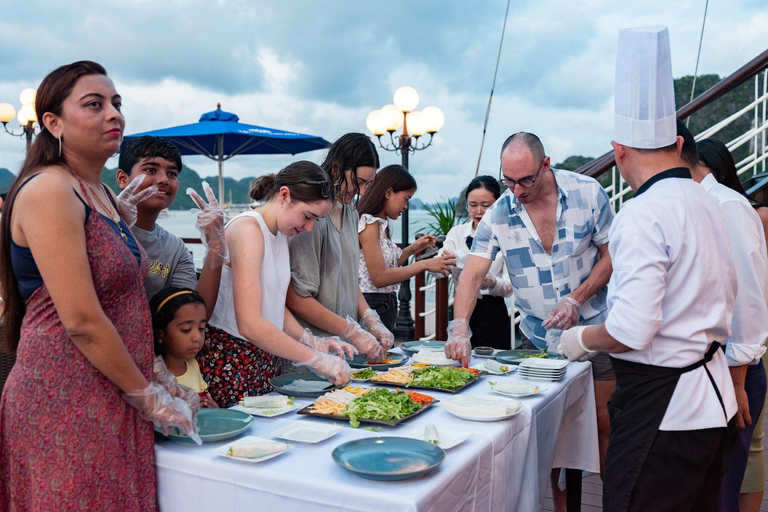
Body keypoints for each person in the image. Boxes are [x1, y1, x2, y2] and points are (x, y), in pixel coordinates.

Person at [0, 61, 198, 511]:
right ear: (53, 123)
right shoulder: (50, 190)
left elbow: (124, 303)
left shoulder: (104, 194)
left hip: (113, 386)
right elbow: (83, 320)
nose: (114, 114)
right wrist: (150, 397)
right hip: (64, 394)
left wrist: (159, 377)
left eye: (117, 103)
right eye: (95, 104)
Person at [560, 26, 738, 512]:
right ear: (679, 144)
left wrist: (581, 338)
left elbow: (632, 329)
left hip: (666, 411)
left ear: (618, 153)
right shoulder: (708, 202)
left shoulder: (641, 212)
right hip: (711, 400)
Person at [445, 132, 615, 510]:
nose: (517, 190)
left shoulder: (588, 192)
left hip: (594, 328)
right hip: (537, 337)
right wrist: (460, 328)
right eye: (508, 181)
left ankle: (613, 503)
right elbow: (472, 275)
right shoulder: (499, 213)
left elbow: (612, 255)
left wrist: (577, 298)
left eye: (526, 180)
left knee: (604, 424)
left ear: (545, 165)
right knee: (545, 431)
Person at [197, 161, 356, 408]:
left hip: (260, 355)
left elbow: (272, 303)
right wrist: (316, 358)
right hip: (230, 357)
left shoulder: (280, 233)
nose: (309, 227)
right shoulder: (249, 229)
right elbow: (250, 324)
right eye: (307, 216)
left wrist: (310, 339)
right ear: (284, 195)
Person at [697, 137, 768, 512]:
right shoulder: (697, 206)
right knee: (708, 479)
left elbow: (747, 298)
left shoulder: (728, 207)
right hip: (710, 364)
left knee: (724, 481)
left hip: (732, 364)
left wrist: (737, 380)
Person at [285, 133, 393, 371]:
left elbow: (347, 279)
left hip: (345, 350)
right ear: (335, 169)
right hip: (312, 348)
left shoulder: (351, 212)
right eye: (359, 182)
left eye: (368, 184)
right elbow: (296, 298)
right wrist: (351, 330)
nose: (362, 192)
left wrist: (370, 320)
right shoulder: (311, 218)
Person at [116, 136, 226, 319]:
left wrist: (216, 248)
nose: (163, 180)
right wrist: (115, 227)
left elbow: (194, 315)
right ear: (122, 178)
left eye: (172, 173)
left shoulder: (175, 249)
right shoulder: (99, 227)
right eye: (150, 169)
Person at [356, 164, 456, 332]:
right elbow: (379, 277)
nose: (406, 206)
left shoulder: (379, 224)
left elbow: (391, 263)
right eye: (406, 199)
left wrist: (414, 248)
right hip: (373, 303)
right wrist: (424, 265)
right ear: (388, 193)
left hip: (381, 304)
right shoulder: (369, 224)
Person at [441, 175, 512, 349]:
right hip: (461, 307)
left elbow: (510, 286)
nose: (478, 211)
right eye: (473, 205)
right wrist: (444, 263)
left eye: (486, 206)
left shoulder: (507, 235)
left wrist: (490, 282)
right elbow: (437, 269)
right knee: (459, 363)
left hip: (493, 310)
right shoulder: (456, 233)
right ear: (467, 205)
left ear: (497, 205)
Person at [151, 287, 219, 408]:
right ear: (160, 333)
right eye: (186, 330)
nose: (197, 337)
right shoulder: (154, 374)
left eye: (202, 328)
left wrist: (214, 409)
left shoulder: (193, 365)